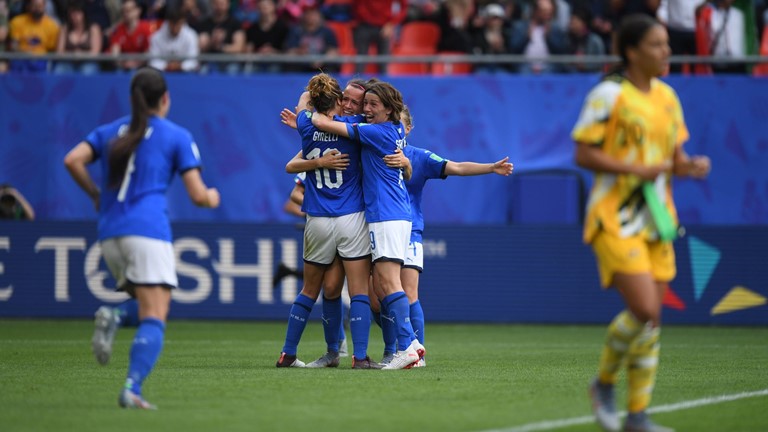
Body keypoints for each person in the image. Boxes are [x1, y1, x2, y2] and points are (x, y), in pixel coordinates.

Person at [572, 14, 711, 432]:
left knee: (652, 321)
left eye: (666, 43)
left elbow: (673, 159)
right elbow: (583, 153)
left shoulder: (668, 97)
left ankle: (637, 415)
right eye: (656, 44)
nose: (666, 51)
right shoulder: (608, 95)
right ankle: (603, 384)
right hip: (615, 216)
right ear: (631, 51)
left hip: (658, 219)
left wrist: (689, 166)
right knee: (645, 308)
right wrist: (636, 169)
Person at [63, 66, 220, 409]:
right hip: (147, 232)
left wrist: (95, 195)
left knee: (153, 305)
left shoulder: (110, 131)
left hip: (110, 234)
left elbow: (72, 160)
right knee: (155, 316)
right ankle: (132, 388)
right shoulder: (176, 135)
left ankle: (117, 316)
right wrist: (212, 197)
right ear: (165, 98)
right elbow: (198, 195)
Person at [377, 105, 513, 366]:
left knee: (409, 293)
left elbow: (457, 166)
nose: (394, 128)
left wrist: (491, 167)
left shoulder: (420, 157)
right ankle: (392, 349)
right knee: (380, 297)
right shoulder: (373, 151)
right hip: (378, 228)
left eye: (399, 124)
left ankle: (416, 354)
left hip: (410, 231)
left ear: (408, 129)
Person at [310, 80, 424, 370]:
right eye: (366, 104)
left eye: (374, 104)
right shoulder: (392, 129)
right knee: (386, 284)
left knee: (388, 282)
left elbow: (326, 125)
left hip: (386, 214)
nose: (367, 109)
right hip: (392, 213)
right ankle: (411, 345)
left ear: (389, 109)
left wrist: (307, 113)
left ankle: (407, 346)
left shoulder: (377, 131)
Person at [276, 73, 378, 369]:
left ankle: (288, 354)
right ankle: (360, 357)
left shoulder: (306, 125)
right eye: (342, 98)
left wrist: (315, 92)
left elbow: (303, 102)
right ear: (336, 100)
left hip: (317, 219)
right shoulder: (354, 127)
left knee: (311, 290)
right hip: (350, 218)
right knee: (358, 291)